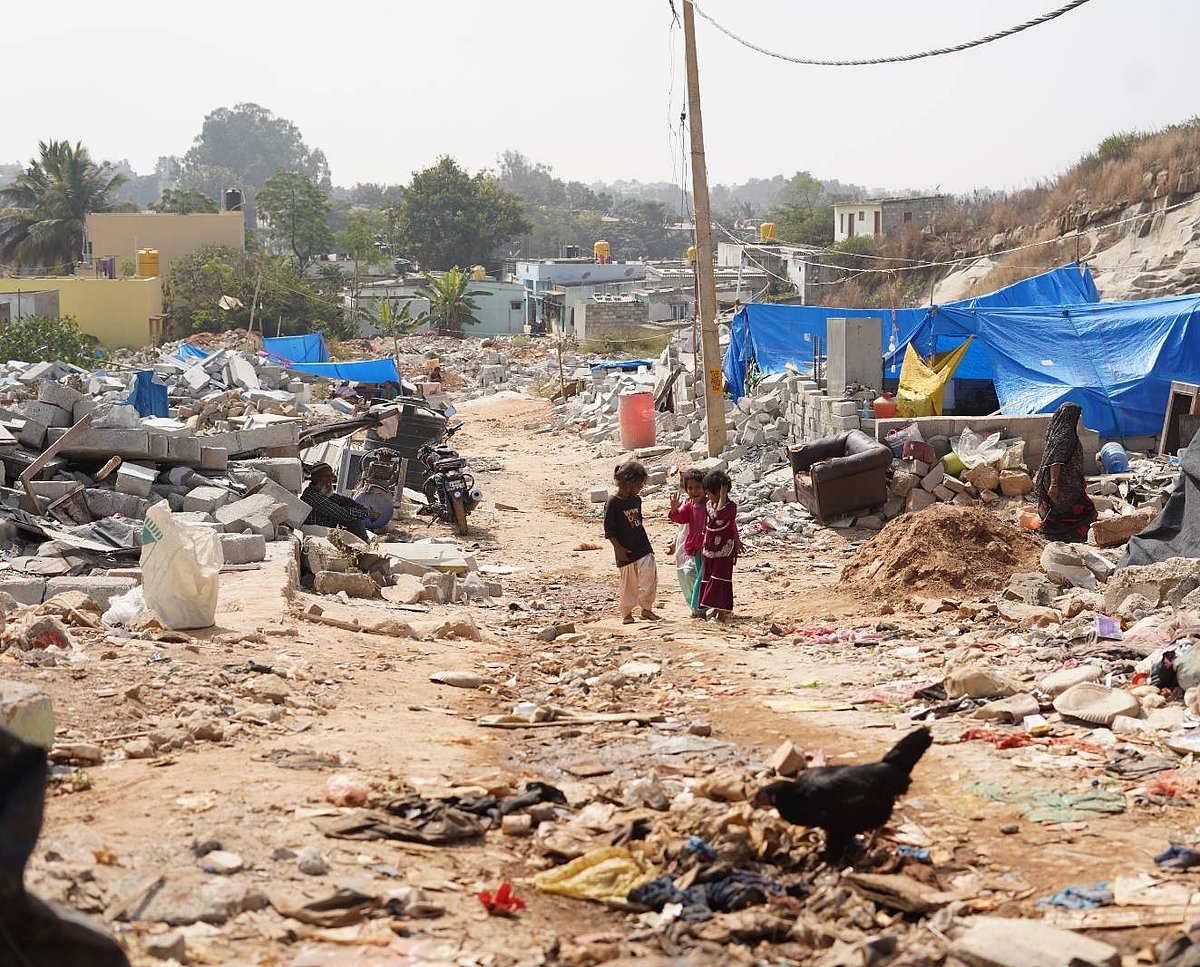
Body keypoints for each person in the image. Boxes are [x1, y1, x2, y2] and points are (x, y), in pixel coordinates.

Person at [604, 459, 659, 624]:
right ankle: (627, 612)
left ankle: (646, 608)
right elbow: (609, 530)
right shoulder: (612, 502)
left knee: (650, 572)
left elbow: (638, 523)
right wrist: (618, 548)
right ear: (630, 482)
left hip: (641, 544)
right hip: (624, 549)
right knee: (629, 582)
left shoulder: (636, 500)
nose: (641, 487)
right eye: (640, 484)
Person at [1034, 402, 1097, 541]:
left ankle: (1054, 533)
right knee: (1083, 510)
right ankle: (1066, 535)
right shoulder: (1066, 437)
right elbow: (1056, 461)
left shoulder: (1057, 434)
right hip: (1063, 483)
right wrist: (1054, 485)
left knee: (1059, 510)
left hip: (1062, 481)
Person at [699, 469, 743, 621]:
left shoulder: (730, 507)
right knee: (710, 577)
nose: (707, 496)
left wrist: (723, 495)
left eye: (710, 493)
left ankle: (721, 611)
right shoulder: (708, 505)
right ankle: (715, 609)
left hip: (724, 549)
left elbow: (721, 516)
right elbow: (708, 524)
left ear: (719, 492)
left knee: (720, 578)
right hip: (710, 548)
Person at [668, 469, 708, 618]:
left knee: (700, 576)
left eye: (698, 487)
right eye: (690, 488)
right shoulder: (690, 506)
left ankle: (700, 608)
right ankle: (697, 606)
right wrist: (674, 509)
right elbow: (679, 518)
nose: (694, 491)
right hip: (694, 548)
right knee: (690, 574)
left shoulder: (710, 505)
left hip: (708, 548)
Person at [301, 463, 376, 541]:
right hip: (315, 532)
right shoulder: (312, 496)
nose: (330, 480)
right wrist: (368, 514)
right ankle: (367, 544)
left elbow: (342, 500)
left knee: (353, 517)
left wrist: (362, 508)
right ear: (315, 478)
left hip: (325, 528)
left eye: (331, 476)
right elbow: (341, 513)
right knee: (352, 518)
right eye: (326, 477)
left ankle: (365, 542)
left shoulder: (320, 491)